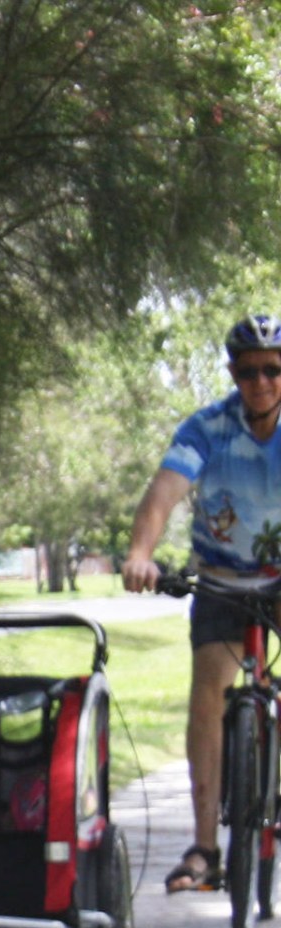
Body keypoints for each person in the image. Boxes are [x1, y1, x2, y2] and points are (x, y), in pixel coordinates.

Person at [121, 314, 281, 894]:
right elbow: (164, 492)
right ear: (233, 373)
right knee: (207, 694)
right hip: (221, 580)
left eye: (272, 370)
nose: (260, 382)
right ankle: (205, 848)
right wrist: (142, 552)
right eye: (247, 372)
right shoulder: (208, 428)